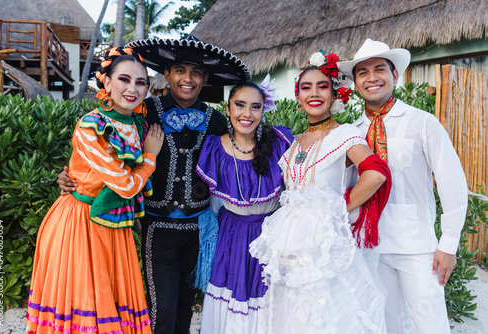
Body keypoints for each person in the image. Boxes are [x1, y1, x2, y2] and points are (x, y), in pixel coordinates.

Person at [58, 35, 251, 334]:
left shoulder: (216, 120)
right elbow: (109, 143)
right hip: (158, 227)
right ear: (168, 74)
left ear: (205, 78)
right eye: (181, 71)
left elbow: (239, 157)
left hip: (198, 229)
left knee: (186, 305)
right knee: (161, 308)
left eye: (196, 72)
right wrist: (72, 176)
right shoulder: (143, 111)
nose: (188, 79)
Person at [249, 50, 392, 333]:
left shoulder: (345, 134)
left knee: (324, 319)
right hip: (290, 249)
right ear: (298, 98)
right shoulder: (294, 142)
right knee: (291, 317)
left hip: (327, 249)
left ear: (335, 94)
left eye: (322, 86)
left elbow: (376, 172)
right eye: (306, 87)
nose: (314, 93)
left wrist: (339, 207)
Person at [25, 47, 164, 333]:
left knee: (110, 299)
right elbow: (125, 185)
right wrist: (150, 157)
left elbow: (84, 169)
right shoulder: (91, 126)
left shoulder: (137, 123)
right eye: (124, 79)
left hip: (116, 226)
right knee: (85, 303)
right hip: (80, 224)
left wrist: (67, 173)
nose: (132, 88)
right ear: (107, 83)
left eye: (140, 82)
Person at [337, 39, 468, 334]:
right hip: (371, 247)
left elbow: (452, 183)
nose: (372, 78)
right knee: (386, 323)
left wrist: (448, 245)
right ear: (356, 83)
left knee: (430, 324)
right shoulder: (352, 133)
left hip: (417, 247)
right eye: (363, 72)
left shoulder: (423, 123)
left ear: (395, 76)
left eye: (380, 69)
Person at [196, 78, 293, 333]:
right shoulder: (214, 148)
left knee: (268, 294)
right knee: (232, 291)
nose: (247, 114)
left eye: (255, 107)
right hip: (233, 234)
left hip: (271, 234)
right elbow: (211, 201)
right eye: (240, 105)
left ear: (263, 110)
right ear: (227, 109)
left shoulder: (279, 141)